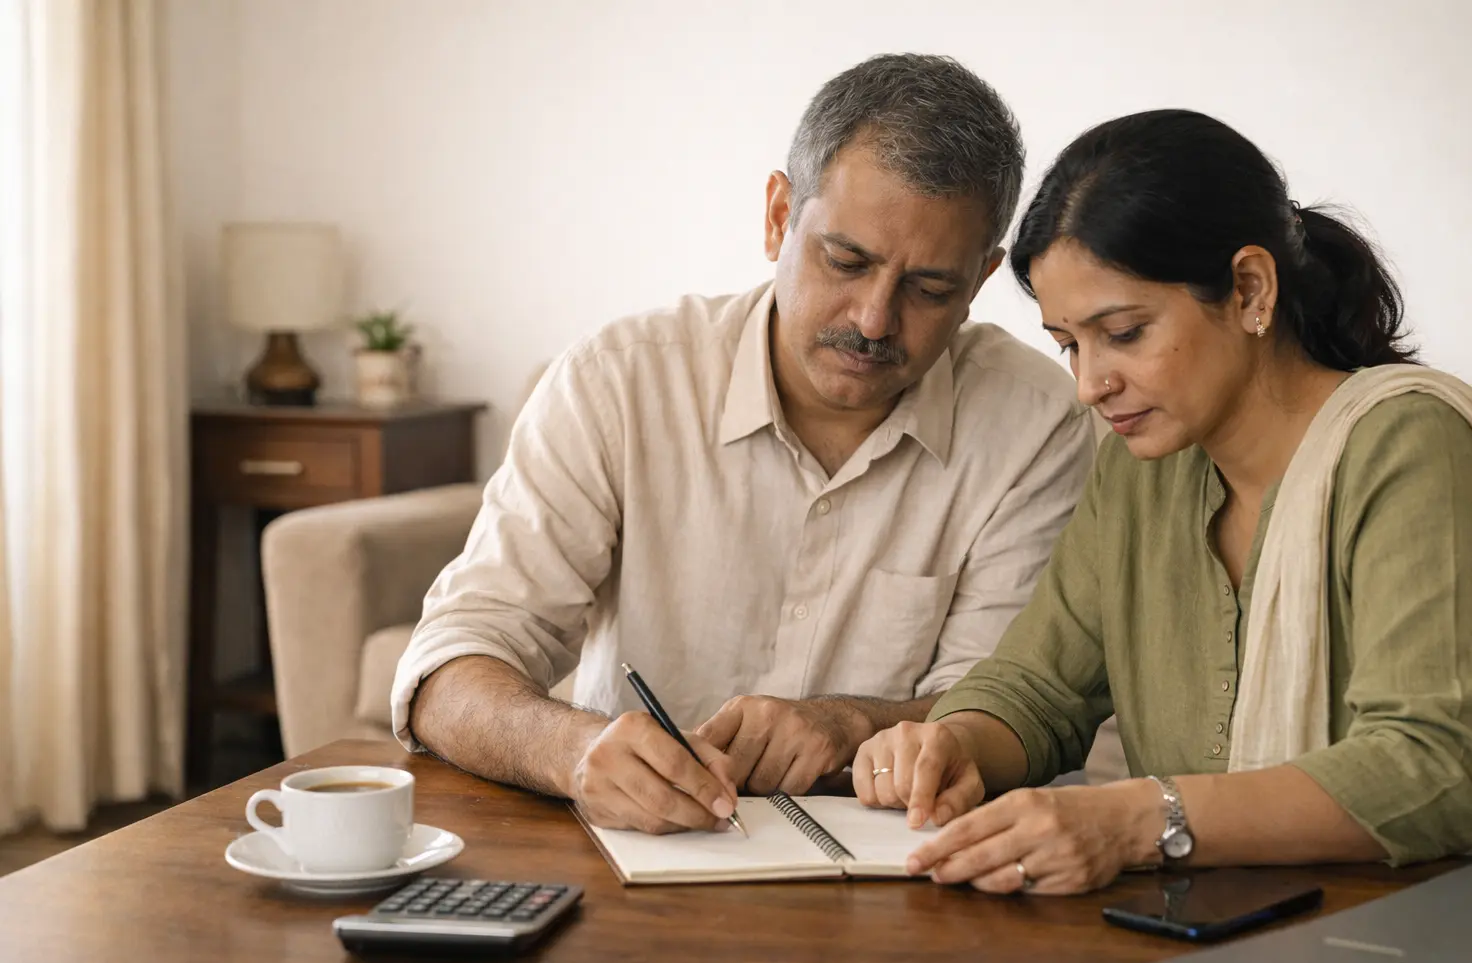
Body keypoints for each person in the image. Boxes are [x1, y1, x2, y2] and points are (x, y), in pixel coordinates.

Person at [392, 54, 1095, 834]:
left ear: (980, 279)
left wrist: (848, 725)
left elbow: (1005, 700)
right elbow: (447, 668)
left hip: (896, 875)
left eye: (929, 289)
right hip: (632, 853)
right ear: (777, 216)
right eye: (846, 261)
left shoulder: (1036, 424)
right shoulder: (619, 382)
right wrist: (574, 749)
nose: (872, 319)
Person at [855, 108, 1472, 894]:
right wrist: (952, 744)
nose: (1090, 385)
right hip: (1205, 937)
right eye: (1070, 344)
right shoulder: (1144, 473)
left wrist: (1136, 820)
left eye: (1125, 332)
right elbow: (1039, 689)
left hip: (1431, 949)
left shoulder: (1412, 449)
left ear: (1250, 288)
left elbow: (1443, 769)